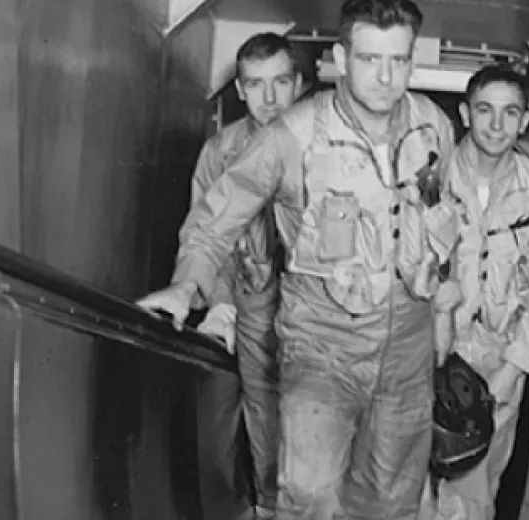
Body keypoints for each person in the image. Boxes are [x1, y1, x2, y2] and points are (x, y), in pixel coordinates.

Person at [137, 0, 456, 517]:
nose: (385, 76)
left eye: (398, 60)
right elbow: (218, 215)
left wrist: (443, 308)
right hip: (323, 343)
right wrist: (187, 284)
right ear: (341, 57)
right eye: (371, 59)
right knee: (306, 492)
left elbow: (443, 217)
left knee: (392, 498)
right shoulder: (293, 136)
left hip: (408, 351)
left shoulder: (432, 126)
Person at [423, 63, 529, 520]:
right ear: (465, 114)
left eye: (510, 113)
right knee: (414, 492)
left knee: (477, 496)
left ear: (525, 121)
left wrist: (514, 364)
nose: (496, 124)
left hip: (498, 364)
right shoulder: (433, 177)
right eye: (485, 110)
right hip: (429, 355)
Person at [187, 33, 303, 520]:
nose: (270, 98)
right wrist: (219, 301)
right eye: (256, 85)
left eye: (280, 82)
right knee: (266, 423)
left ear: (299, 84)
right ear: (239, 88)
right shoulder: (221, 152)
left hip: (322, 314)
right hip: (256, 308)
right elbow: (204, 231)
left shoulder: (325, 144)